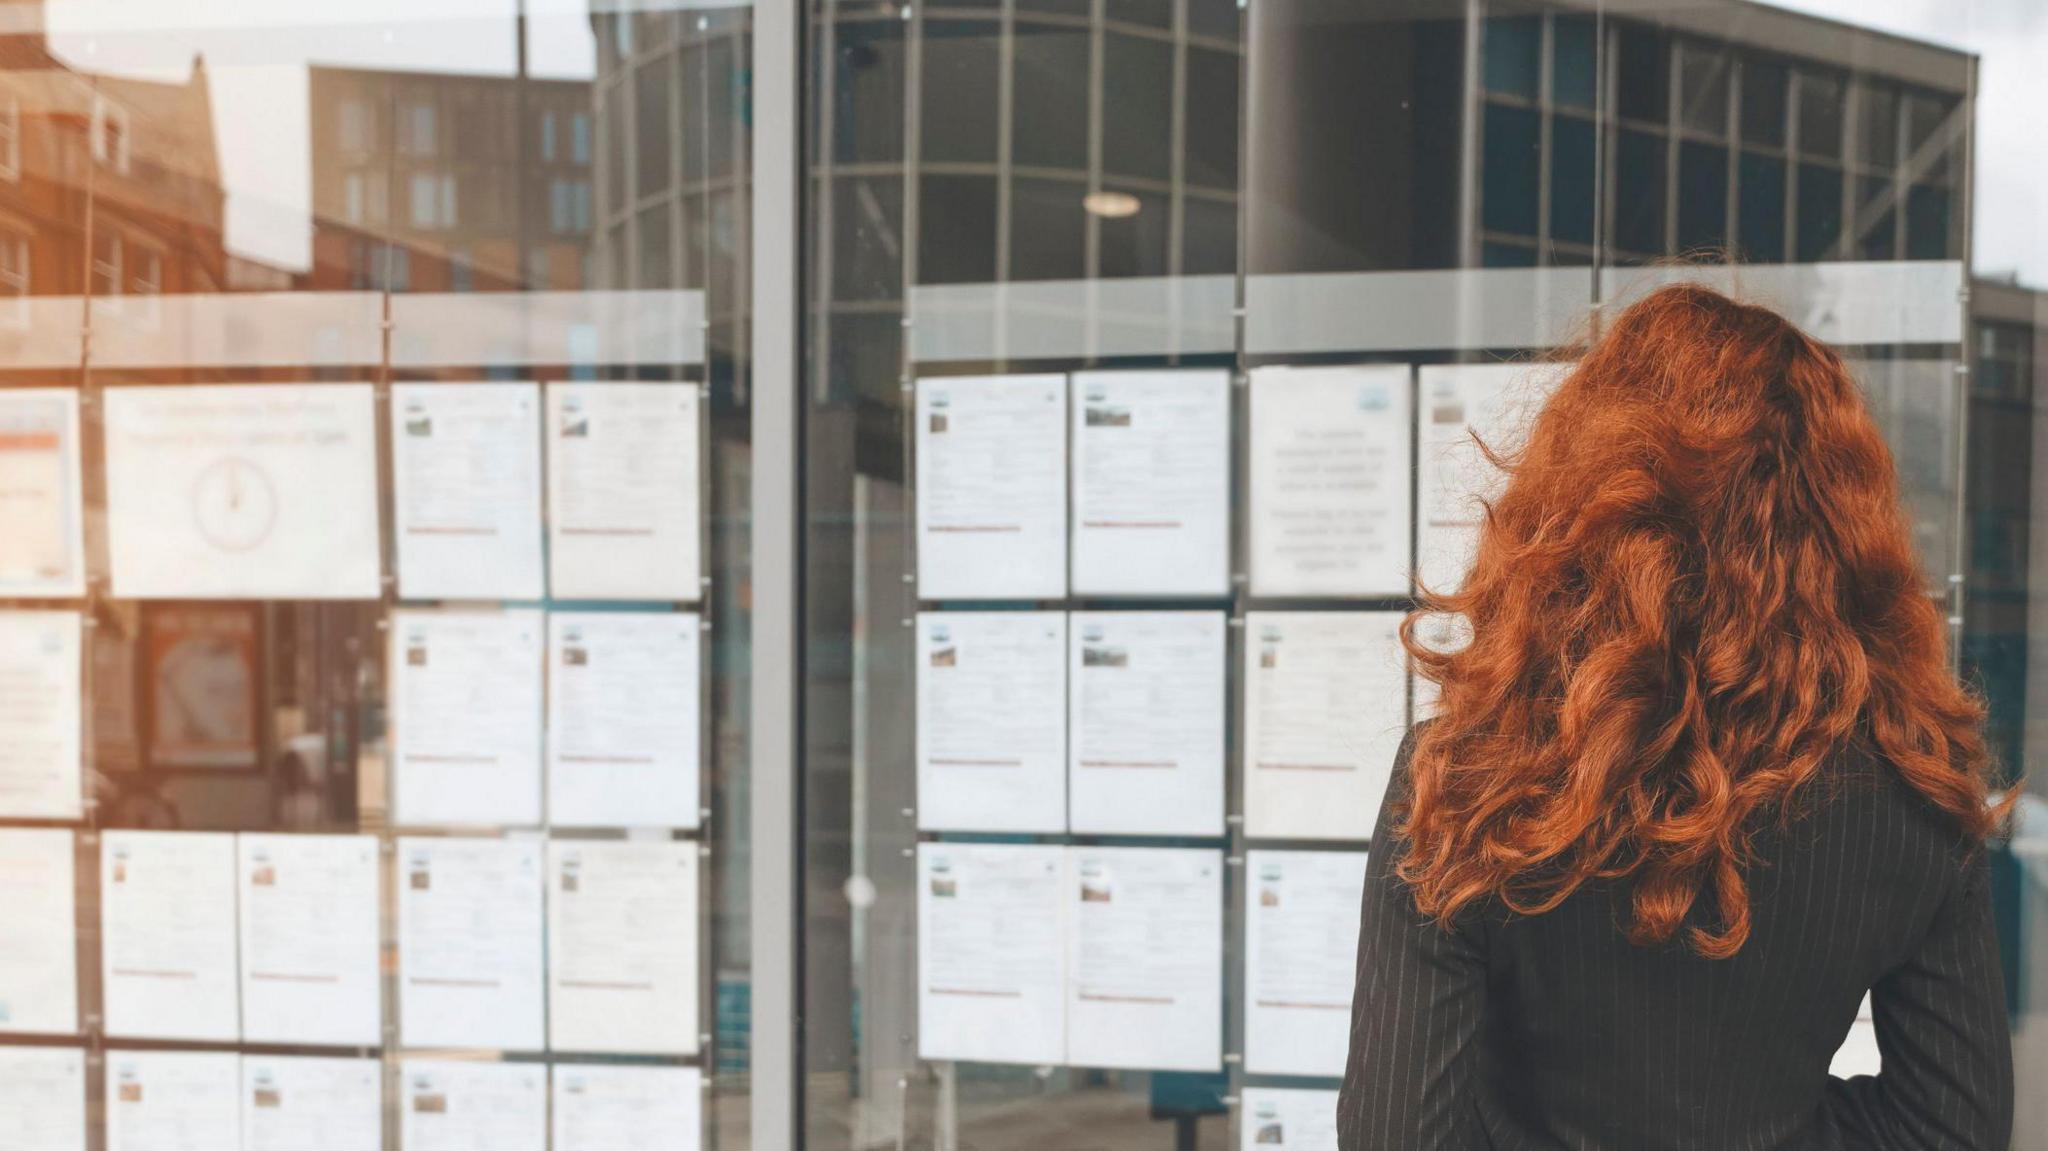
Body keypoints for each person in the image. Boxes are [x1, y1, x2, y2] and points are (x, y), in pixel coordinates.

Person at [1339, 285, 2015, 1150]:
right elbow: (1952, 1126)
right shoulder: (1911, 790)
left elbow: (1394, 1134)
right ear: (1845, 526)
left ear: (1581, 495)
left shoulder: (1468, 774)